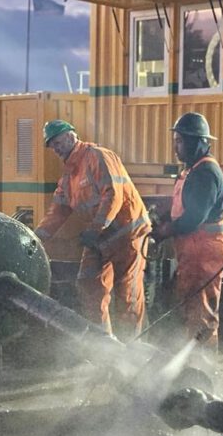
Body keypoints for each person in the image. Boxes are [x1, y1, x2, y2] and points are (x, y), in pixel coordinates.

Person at [34, 120, 151, 341]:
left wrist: (96, 228)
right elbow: (58, 212)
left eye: (57, 143)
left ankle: (133, 349)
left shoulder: (98, 157)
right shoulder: (69, 176)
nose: (56, 149)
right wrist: (35, 238)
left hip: (127, 234)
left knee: (127, 295)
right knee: (88, 285)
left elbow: (113, 195)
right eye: (52, 146)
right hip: (100, 237)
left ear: (71, 137)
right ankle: (104, 346)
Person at [152, 112, 223, 349]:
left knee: (202, 314)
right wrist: (165, 219)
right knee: (193, 310)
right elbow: (182, 209)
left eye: (180, 141)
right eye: (175, 141)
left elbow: (193, 218)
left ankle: (201, 369)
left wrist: (165, 231)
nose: (176, 147)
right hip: (195, 252)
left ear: (198, 142)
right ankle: (192, 363)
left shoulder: (205, 173)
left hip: (205, 254)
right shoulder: (192, 170)